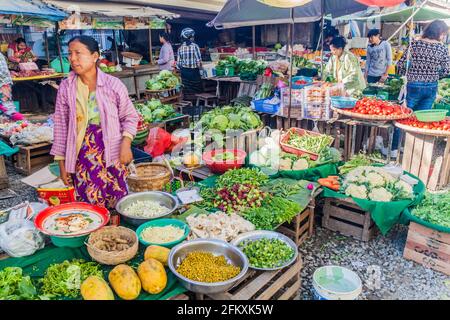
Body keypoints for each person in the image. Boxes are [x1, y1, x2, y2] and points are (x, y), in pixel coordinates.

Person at [51, 36, 139, 209]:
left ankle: (118, 232)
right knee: (89, 206)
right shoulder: (66, 87)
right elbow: (61, 128)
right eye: (70, 54)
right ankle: (93, 236)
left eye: (78, 53)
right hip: (82, 157)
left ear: (95, 56)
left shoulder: (113, 85)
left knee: (118, 202)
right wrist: (62, 164)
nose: (73, 58)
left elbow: (129, 117)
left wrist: (126, 144)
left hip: (113, 152)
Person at [390, 20, 450, 157]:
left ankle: (394, 149)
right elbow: (447, 71)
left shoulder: (415, 44)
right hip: (431, 87)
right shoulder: (442, 48)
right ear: (440, 33)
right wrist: (434, 75)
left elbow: (400, 65)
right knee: (422, 119)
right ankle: (415, 151)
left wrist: (408, 74)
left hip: (413, 85)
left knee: (404, 116)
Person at [177, 28, 202, 94]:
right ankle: (197, 103)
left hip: (184, 73)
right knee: (197, 90)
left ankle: (189, 102)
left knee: (187, 90)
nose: (193, 37)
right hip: (194, 73)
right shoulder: (195, 46)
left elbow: (179, 64)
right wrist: (201, 70)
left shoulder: (180, 48)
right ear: (191, 37)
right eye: (192, 36)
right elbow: (199, 62)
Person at [0, 53, 24, 121]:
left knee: (7, 106)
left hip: (2, 84)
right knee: (7, 104)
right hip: (5, 83)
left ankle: (19, 120)